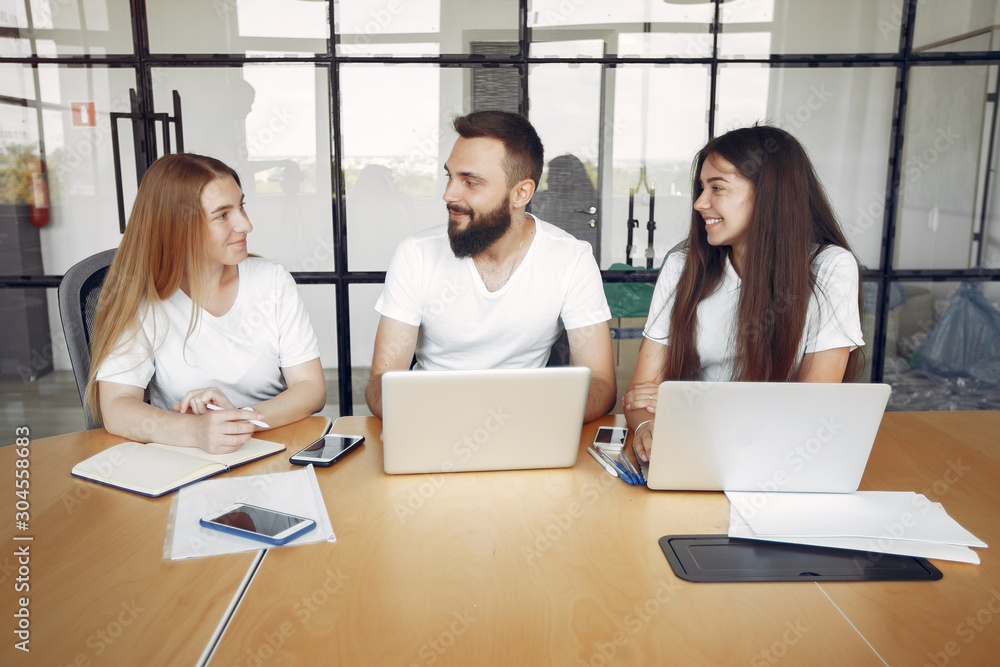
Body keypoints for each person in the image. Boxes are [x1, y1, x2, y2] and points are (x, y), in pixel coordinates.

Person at [625, 125, 864, 461]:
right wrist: (647, 427)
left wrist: (684, 401)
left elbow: (812, 406)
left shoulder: (831, 269)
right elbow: (640, 395)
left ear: (769, 194)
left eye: (717, 188)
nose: (699, 203)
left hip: (781, 455)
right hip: (694, 447)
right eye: (701, 188)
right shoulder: (682, 266)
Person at [365, 111, 616, 422]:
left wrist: (536, 420)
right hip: (432, 422)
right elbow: (382, 380)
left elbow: (601, 383)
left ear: (520, 193)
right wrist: (425, 421)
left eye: (470, 182)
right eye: (450, 176)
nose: (449, 195)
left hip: (529, 424)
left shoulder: (571, 259)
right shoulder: (416, 255)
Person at [86, 153, 326, 454]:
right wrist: (195, 431)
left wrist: (240, 420)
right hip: (180, 459)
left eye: (241, 206)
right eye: (222, 215)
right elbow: (117, 407)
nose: (246, 225)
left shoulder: (272, 280)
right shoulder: (141, 298)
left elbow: (311, 388)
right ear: (176, 227)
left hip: (274, 449)